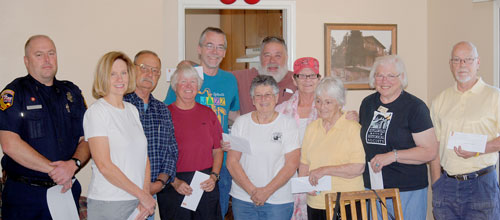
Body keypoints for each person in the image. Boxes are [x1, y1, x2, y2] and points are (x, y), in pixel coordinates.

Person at [0, 35, 90, 219]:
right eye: (39, 55)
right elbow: (9, 144)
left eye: (51, 53)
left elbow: (86, 139)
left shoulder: (71, 93)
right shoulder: (14, 93)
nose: (47, 60)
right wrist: (55, 171)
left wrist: (74, 165)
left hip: (65, 190)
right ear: (27, 61)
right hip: (25, 196)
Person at [164, 27, 239, 219]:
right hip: (181, 167)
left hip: (216, 162)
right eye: (210, 45)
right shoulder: (183, 77)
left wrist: (234, 139)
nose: (215, 51)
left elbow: (233, 116)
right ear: (199, 48)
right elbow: (166, 119)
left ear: (225, 52)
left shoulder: (230, 80)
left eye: (220, 47)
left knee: (216, 213)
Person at [359, 55, 438, 220]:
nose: (384, 80)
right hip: (374, 187)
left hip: (407, 190)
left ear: (401, 78)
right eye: (379, 75)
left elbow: (430, 151)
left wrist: (393, 156)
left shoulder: (415, 108)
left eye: (390, 76)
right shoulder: (367, 104)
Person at [430, 41, 500, 219]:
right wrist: (436, 183)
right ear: (450, 64)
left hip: (482, 185)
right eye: (457, 60)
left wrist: (478, 150)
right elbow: (434, 146)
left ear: (477, 63)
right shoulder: (440, 100)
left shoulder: (495, 96)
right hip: (446, 185)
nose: (462, 65)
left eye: (468, 60)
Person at [83, 51, 155, 220]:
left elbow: (143, 157)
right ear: (103, 77)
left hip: (136, 201)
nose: (119, 79)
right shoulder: (97, 112)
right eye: (113, 74)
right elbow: (104, 165)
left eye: (123, 73)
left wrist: (144, 194)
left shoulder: (132, 110)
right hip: (109, 202)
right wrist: (141, 195)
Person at [227, 75, 300, 220]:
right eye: (258, 96)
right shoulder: (241, 123)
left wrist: (266, 192)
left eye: (268, 95)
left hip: (278, 201)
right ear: (253, 100)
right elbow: (232, 162)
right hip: (243, 200)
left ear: (276, 97)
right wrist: (252, 191)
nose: (263, 100)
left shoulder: (288, 124)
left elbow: (292, 164)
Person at [162, 64, 224, 220]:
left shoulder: (208, 114)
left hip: (205, 183)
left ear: (198, 86)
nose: (189, 86)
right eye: (183, 81)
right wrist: (174, 182)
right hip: (174, 185)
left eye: (193, 82)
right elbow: (157, 156)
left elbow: (217, 149)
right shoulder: (164, 115)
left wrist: (214, 176)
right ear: (175, 86)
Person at [298, 76, 365, 220]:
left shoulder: (352, 128)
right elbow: (304, 164)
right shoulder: (311, 128)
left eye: (328, 102)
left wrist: (323, 170)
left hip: (347, 203)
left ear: (340, 104)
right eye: (318, 101)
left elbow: (358, 167)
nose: (322, 107)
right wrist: (305, 185)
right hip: (316, 204)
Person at [123, 50, 178, 220]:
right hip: (122, 194)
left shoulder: (162, 110)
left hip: (151, 195)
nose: (150, 74)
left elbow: (171, 151)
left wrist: (159, 184)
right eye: (144, 68)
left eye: (155, 71)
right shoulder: (119, 105)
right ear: (133, 69)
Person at [232, 36, 298, 115]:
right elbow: (216, 77)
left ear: (286, 58)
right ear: (260, 58)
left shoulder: (298, 80)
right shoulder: (242, 78)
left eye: (278, 56)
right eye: (267, 55)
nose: (272, 60)